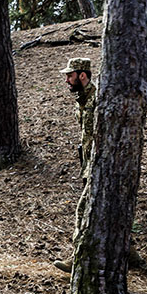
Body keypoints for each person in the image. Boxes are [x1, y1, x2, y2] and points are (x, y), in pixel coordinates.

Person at [54, 57, 95, 273]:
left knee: (83, 211)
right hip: (89, 165)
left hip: (100, 166)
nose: (67, 80)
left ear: (82, 75)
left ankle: (76, 260)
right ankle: (130, 253)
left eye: (70, 75)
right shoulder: (80, 100)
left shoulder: (98, 98)